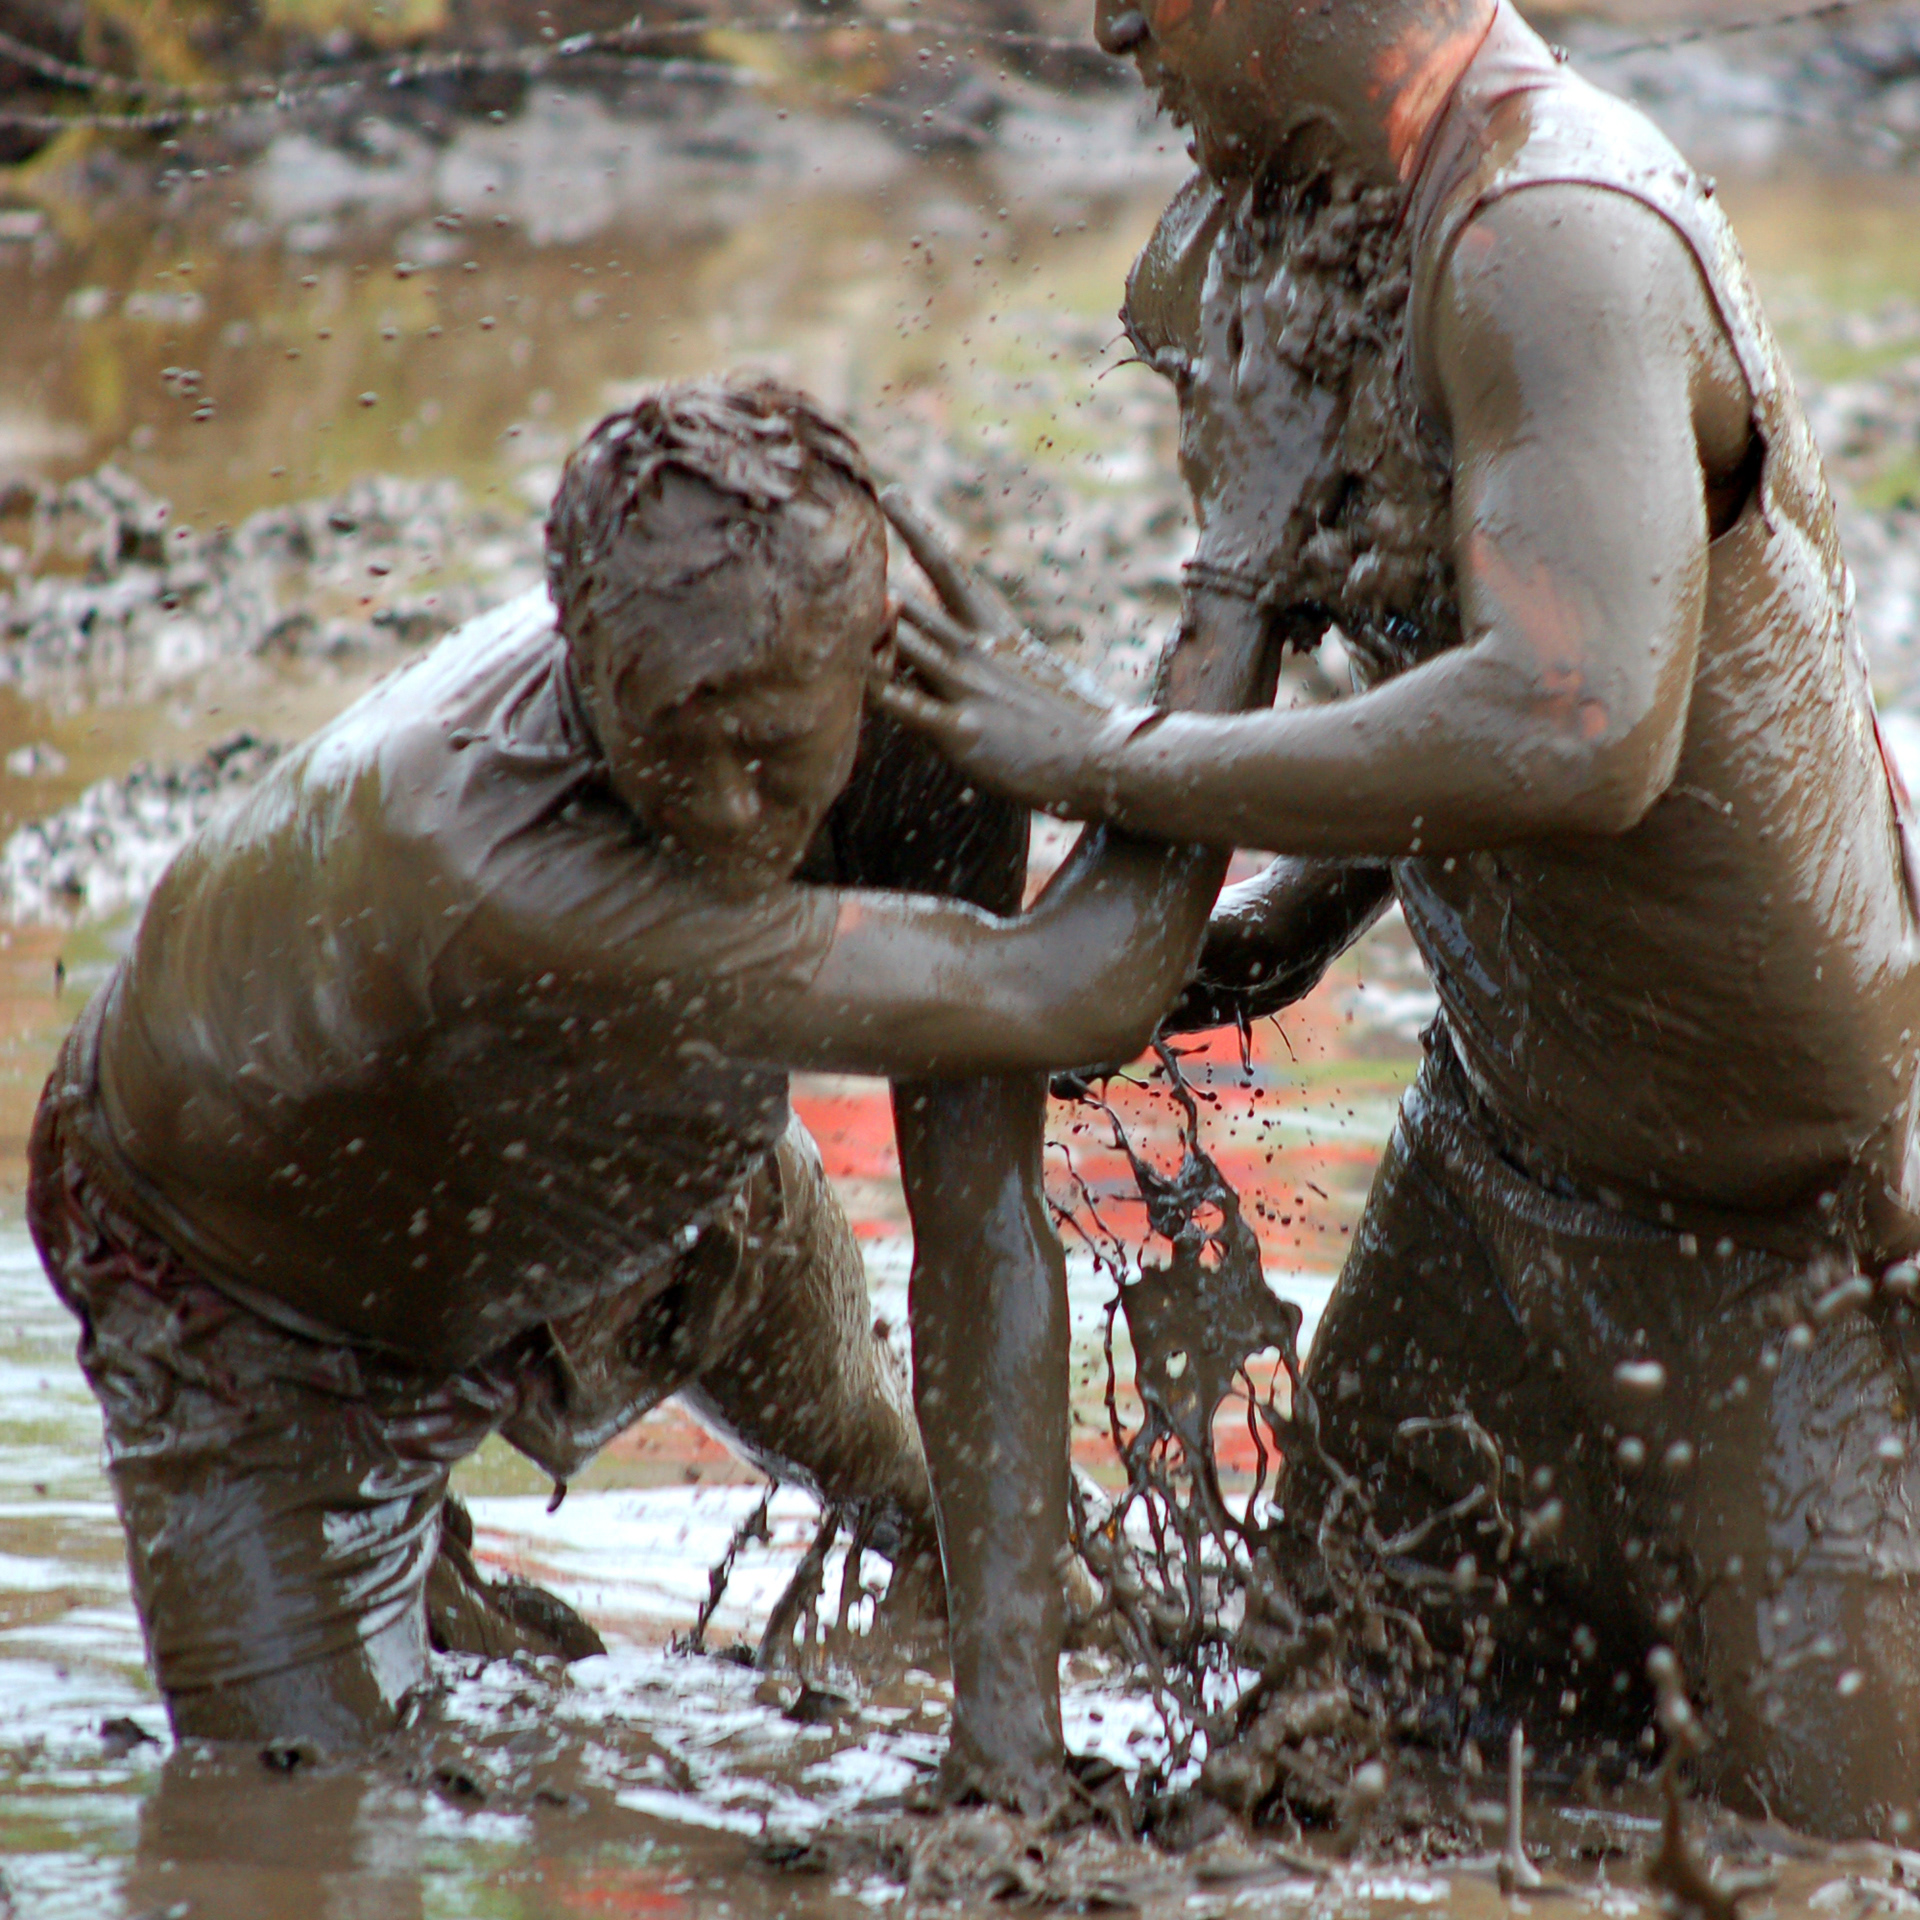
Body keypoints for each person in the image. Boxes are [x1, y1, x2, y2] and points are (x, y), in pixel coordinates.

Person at [878, 0, 1920, 1838]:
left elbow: (1578, 721)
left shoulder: (1556, 236)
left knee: (1830, 1860)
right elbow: (1451, 643)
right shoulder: (1269, 227)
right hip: (1486, 1185)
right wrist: (1309, 900)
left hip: (1797, 1243)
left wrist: (1111, 756)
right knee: (1304, 1779)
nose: (1111, 22)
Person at [26, 378, 1240, 1767]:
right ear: (580, 662)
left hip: (638, 1153)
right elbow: (1078, 990)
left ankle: (964, 1626)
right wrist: (1208, 645)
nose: (729, 811)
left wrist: (1010, 1746)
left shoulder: (933, 734)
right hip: (255, 1291)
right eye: (665, 748)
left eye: (775, 756)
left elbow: (980, 1218)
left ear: (871, 655)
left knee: (905, 1481)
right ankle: (403, 1566)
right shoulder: (485, 855)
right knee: (295, 1808)